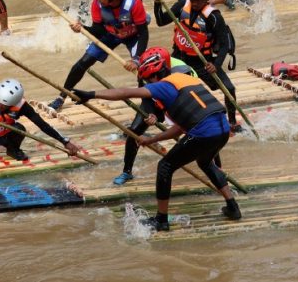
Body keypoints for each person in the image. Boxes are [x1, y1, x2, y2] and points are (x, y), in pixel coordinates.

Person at [70, 47, 241, 231]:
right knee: (205, 162)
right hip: (222, 128)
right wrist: (151, 140)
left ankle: (161, 220)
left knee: (165, 166)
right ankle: (233, 207)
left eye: (148, 79)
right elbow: (180, 128)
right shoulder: (186, 79)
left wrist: (92, 95)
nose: (148, 83)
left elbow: (125, 93)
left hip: (205, 131)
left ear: (154, 75)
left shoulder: (163, 86)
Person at [151, 0, 243, 133]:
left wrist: (216, 65)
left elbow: (224, 44)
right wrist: (157, 2)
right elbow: (160, 21)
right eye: (192, 0)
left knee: (229, 89)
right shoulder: (182, 6)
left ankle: (232, 121)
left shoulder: (214, 17)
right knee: (170, 89)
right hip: (179, 58)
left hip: (203, 62)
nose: (194, 4)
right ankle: (161, 118)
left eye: (198, 1)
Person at [48, 0, 150, 111]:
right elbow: (98, 31)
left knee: (142, 69)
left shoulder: (133, 2)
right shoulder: (97, 4)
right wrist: (82, 29)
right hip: (110, 34)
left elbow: (144, 32)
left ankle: (147, 103)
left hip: (134, 35)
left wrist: (137, 59)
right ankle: (61, 97)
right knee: (83, 63)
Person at [112, 56, 197, 186]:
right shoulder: (145, 69)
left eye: (153, 77)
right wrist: (151, 113)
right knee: (133, 132)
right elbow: (146, 96)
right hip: (155, 100)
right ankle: (127, 171)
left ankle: (215, 165)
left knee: (200, 129)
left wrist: (164, 115)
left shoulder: (183, 72)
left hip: (180, 100)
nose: (150, 79)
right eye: (147, 77)